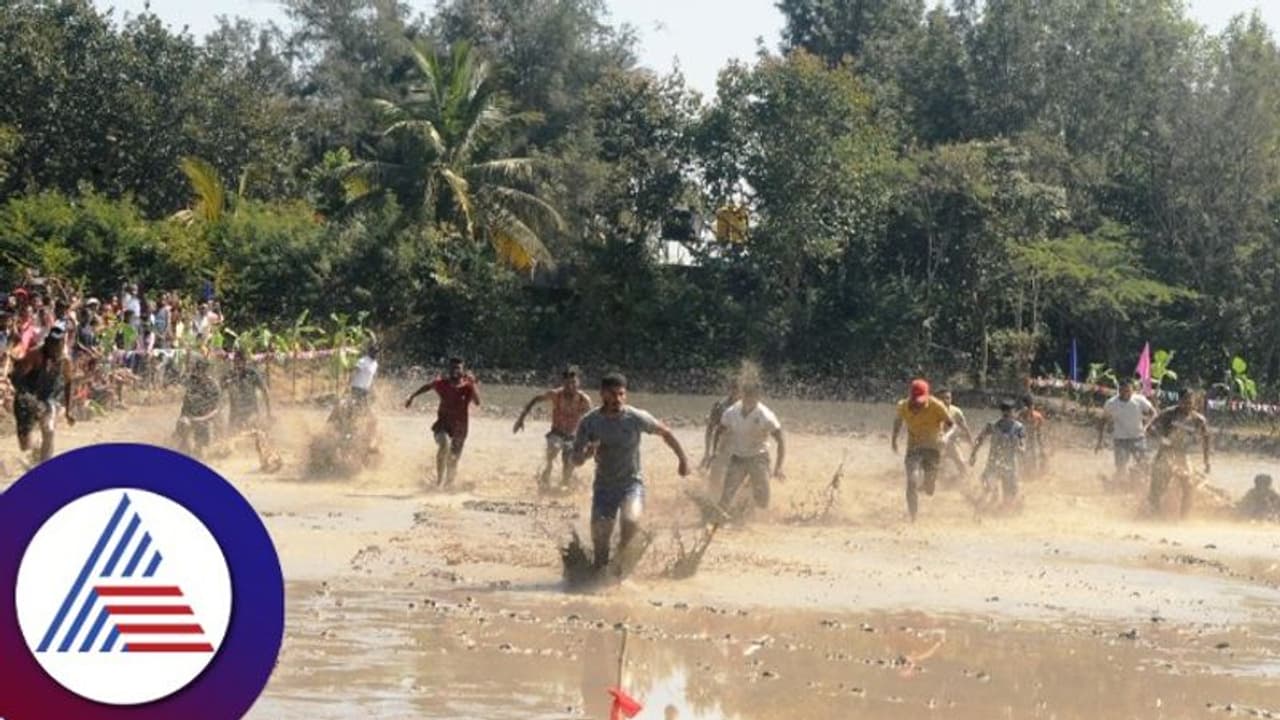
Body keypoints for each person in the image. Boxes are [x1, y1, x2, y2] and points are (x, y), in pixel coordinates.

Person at [572, 372, 691, 572]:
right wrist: (586, 454)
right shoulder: (589, 422)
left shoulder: (635, 417)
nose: (617, 399)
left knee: (631, 520)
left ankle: (620, 564)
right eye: (612, 394)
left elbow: (666, 433)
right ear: (602, 394)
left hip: (631, 484)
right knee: (600, 539)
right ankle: (598, 572)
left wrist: (683, 460)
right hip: (603, 487)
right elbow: (575, 460)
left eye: (621, 394)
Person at [513, 365, 593, 491]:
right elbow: (535, 399)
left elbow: (592, 421)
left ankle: (565, 484)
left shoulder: (584, 400)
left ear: (578, 383)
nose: (570, 386)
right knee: (554, 449)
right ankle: (545, 476)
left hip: (573, 435)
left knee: (568, 461)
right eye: (567, 383)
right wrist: (521, 419)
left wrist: (590, 441)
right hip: (556, 432)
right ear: (563, 383)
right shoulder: (556, 395)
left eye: (573, 383)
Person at [405, 357, 481, 487]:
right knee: (444, 445)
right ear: (448, 369)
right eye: (452, 368)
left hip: (460, 429)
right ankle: (439, 481)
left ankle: (448, 485)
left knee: (453, 460)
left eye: (458, 368)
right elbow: (427, 387)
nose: (454, 370)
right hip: (442, 425)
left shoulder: (468, 386)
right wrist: (412, 396)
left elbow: (477, 402)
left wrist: (473, 384)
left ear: (463, 371)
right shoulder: (442, 383)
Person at [712, 380, 785, 513]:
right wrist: (715, 452)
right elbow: (719, 431)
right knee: (727, 494)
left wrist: (778, 467)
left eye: (753, 396)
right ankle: (719, 515)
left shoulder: (766, 416)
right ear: (742, 394)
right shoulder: (731, 411)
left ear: (758, 397)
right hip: (738, 457)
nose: (749, 399)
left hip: (758, 458)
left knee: (762, 497)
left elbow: (780, 440)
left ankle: (758, 519)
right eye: (747, 395)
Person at [9, 325, 74, 463]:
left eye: (58, 344)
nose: (55, 347)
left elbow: (69, 383)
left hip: (48, 400)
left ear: (63, 344)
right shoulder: (35, 355)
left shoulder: (65, 360)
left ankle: (45, 465)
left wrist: (68, 410)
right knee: (25, 445)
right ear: (47, 342)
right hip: (27, 400)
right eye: (52, 343)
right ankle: (36, 449)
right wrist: (26, 399)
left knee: (49, 431)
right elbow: (16, 377)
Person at [891, 379, 953, 521]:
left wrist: (946, 437)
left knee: (929, 489)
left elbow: (952, 425)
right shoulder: (903, 406)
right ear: (910, 396)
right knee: (912, 481)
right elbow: (898, 422)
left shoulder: (937, 405)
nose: (917, 404)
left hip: (933, 448)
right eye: (915, 400)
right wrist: (893, 439)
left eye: (921, 401)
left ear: (927, 396)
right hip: (914, 448)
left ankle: (927, 484)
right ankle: (913, 517)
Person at [1145, 391, 1210, 517]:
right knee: (1157, 489)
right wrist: (1161, 438)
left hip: (1182, 455)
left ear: (1194, 403)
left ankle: (1183, 518)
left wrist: (1206, 460)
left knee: (1189, 487)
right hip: (1165, 454)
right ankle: (1155, 516)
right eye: (1184, 402)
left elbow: (1206, 439)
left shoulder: (1198, 420)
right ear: (1179, 401)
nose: (1187, 405)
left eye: (1190, 402)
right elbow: (1149, 429)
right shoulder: (1168, 414)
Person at [1096, 379, 1157, 487]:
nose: (1125, 394)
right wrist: (1099, 441)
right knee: (1121, 467)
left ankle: (1142, 485)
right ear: (1119, 391)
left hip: (1138, 437)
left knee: (1144, 464)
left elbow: (1154, 413)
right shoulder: (1111, 403)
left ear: (1132, 391)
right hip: (1120, 439)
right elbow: (1102, 421)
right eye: (1123, 391)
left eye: (1128, 391)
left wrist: (1147, 426)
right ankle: (1117, 485)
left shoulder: (1139, 400)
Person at [969, 399, 1026, 506]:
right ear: (1002, 412)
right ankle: (986, 502)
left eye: (1009, 412)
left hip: (1010, 464)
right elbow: (979, 439)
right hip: (994, 462)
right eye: (1005, 411)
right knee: (988, 487)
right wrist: (973, 454)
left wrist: (1018, 447)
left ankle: (1006, 509)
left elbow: (1023, 447)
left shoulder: (1018, 428)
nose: (1007, 414)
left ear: (1013, 412)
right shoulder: (993, 425)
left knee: (1009, 497)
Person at [175, 356, 221, 457]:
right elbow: (185, 402)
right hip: (189, 418)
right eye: (195, 370)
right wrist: (186, 418)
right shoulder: (191, 381)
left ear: (205, 371)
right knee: (184, 423)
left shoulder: (213, 386)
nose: (196, 373)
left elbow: (216, 410)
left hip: (206, 421)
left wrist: (200, 419)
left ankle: (200, 447)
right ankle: (185, 445)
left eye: (199, 370)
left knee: (202, 454)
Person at [221, 348, 271, 432]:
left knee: (253, 436)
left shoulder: (252, 373)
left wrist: (268, 411)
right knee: (233, 438)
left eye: (240, 362)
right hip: (235, 415)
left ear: (245, 362)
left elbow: (265, 390)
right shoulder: (229, 375)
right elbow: (219, 392)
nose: (237, 365)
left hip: (251, 413)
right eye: (235, 362)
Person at [701, 380, 741, 470]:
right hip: (724, 441)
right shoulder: (720, 406)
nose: (735, 392)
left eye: (737, 389)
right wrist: (707, 452)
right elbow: (710, 429)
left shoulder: (747, 406)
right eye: (733, 389)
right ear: (729, 390)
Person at [936, 388, 973, 479]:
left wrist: (971, 443)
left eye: (948, 398)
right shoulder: (933, 411)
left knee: (961, 463)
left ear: (951, 399)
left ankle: (964, 483)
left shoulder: (956, 411)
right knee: (937, 465)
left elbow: (964, 427)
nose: (945, 400)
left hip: (952, 443)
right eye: (942, 398)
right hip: (937, 443)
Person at [1018, 395, 1048, 480]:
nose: (1028, 409)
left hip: (1033, 441)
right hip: (1024, 441)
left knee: (1034, 460)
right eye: (1027, 407)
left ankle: (1033, 477)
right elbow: (1016, 432)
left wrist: (1042, 448)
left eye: (1030, 407)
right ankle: (1025, 476)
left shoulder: (1038, 417)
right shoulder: (1020, 416)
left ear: (1033, 406)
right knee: (1022, 460)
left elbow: (1040, 433)